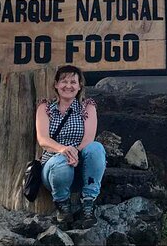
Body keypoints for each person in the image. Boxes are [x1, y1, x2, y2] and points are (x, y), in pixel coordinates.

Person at [36, 65, 106, 227]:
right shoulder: (45, 108)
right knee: (61, 162)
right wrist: (63, 150)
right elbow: (43, 139)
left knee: (96, 148)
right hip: (53, 168)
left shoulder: (87, 107)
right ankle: (63, 206)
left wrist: (74, 153)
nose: (68, 86)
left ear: (80, 86)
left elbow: (88, 138)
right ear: (56, 84)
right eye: (64, 81)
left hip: (80, 167)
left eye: (73, 82)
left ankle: (88, 204)